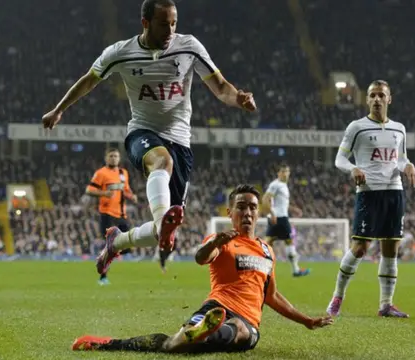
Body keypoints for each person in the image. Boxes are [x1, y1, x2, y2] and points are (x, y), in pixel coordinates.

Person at [42, 0, 257, 276]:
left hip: (181, 142)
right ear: (145, 23)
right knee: (161, 164)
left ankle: (117, 241)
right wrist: (59, 109)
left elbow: (220, 87)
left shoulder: (189, 46)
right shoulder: (121, 53)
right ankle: (162, 219)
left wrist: (238, 98)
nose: (170, 29)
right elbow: (89, 79)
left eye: (174, 23)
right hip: (142, 133)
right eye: (163, 23)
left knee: (161, 233)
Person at [71, 185, 333, 354]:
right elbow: (201, 257)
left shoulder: (267, 250)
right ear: (230, 212)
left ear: (259, 213)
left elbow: (271, 296)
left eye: (253, 207)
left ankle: (205, 332)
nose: (248, 212)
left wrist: (306, 321)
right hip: (216, 307)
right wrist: (218, 242)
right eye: (241, 207)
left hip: (247, 321)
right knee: (174, 345)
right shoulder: (220, 240)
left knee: (238, 332)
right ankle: (109, 343)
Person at [327, 80, 415, 318]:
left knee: (391, 249)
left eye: (381, 95)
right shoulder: (356, 127)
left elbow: (400, 158)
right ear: (367, 99)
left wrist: (408, 165)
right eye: (372, 95)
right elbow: (339, 159)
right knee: (360, 248)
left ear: (389, 99)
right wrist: (353, 169)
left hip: (394, 192)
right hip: (369, 193)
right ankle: (337, 297)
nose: (377, 99)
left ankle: (386, 305)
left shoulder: (399, 128)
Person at [85, 148, 138, 285]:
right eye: (111, 156)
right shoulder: (101, 173)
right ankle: (103, 275)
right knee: (110, 245)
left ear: (119, 158)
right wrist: (103, 194)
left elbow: (126, 190)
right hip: (107, 214)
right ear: (106, 158)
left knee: (126, 245)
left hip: (121, 214)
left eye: (116, 156)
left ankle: (109, 258)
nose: (113, 158)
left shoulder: (123, 173)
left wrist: (132, 196)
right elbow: (89, 190)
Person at [261, 164, 310, 277]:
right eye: (283, 171)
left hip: (279, 217)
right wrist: (271, 213)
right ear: (278, 173)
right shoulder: (275, 184)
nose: (285, 173)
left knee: (269, 243)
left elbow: (281, 203)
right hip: (280, 218)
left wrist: (293, 209)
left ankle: (259, 269)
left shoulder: (283, 185)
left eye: (287, 171)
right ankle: (295, 270)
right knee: (287, 241)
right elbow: (265, 198)